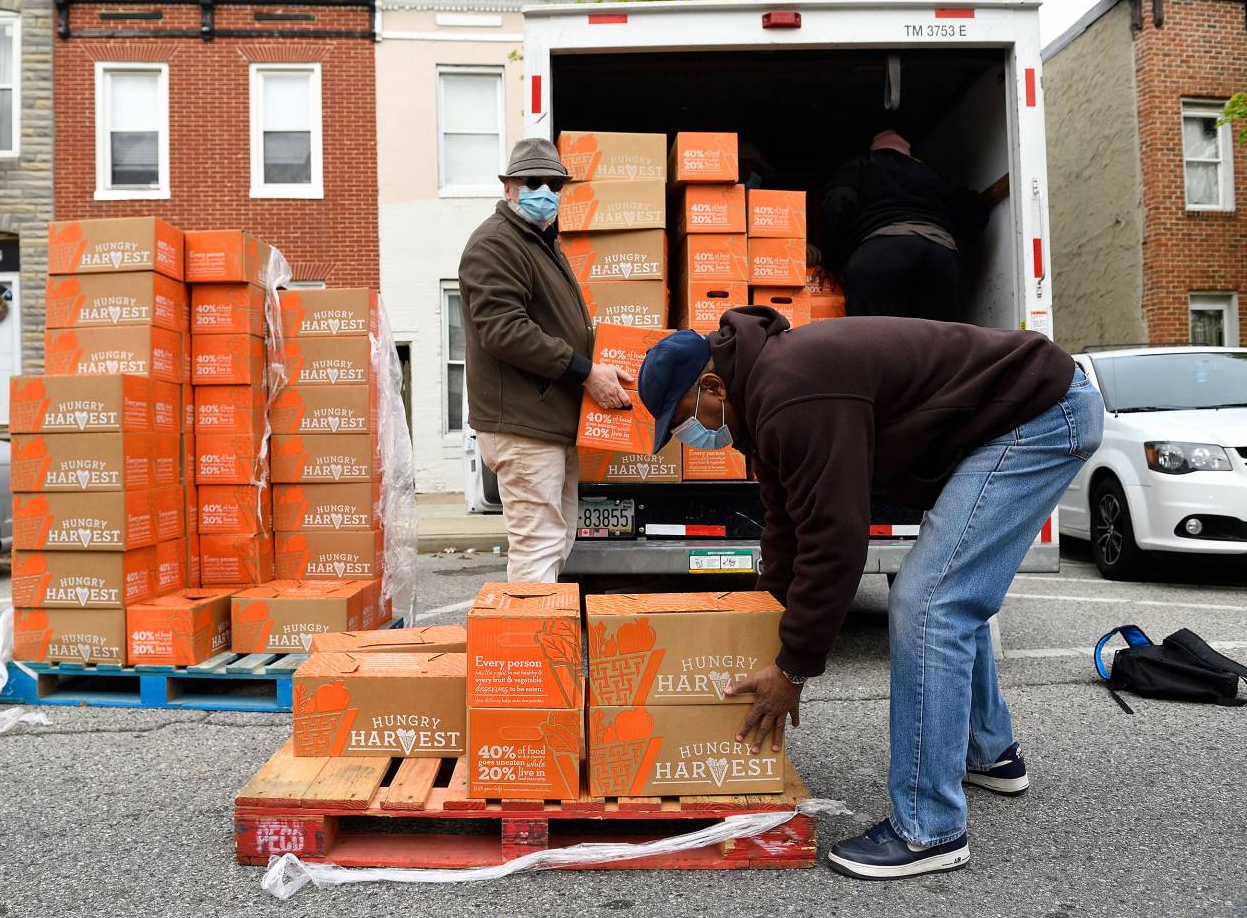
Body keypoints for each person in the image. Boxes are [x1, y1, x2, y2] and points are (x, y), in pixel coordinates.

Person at [636, 306, 1103, 880]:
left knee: (930, 602)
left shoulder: (790, 392)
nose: (688, 437)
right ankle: (988, 751)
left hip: (1041, 415)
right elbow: (787, 525)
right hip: (1018, 413)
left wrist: (794, 669)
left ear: (710, 386)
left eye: (682, 419)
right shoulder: (763, 398)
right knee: (949, 589)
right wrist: (764, 622)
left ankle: (929, 829)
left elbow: (836, 541)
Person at [458, 138, 632, 583]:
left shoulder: (538, 243)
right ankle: (530, 650)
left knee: (555, 543)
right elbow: (504, 331)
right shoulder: (496, 245)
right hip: (522, 425)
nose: (545, 192)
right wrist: (585, 371)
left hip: (547, 422)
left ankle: (538, 646)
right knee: (537, 548)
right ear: (509, 188)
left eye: (554, 183)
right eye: (532, 182)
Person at [822, 129, 988, 321]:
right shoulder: (932, 172)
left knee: (876, 335)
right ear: (907, 152)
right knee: (937, 338)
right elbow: (972, 214)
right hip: (939, 255)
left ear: (874, 149)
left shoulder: (861, 164)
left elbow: (837, 202)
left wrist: (833, 259)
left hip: (879, 253)